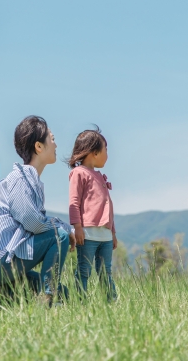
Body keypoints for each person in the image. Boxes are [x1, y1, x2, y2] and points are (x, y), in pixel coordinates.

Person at [0, 116, 76, 305]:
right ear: (39, 147)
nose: (56, 145)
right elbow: (33, 221)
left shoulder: (26, 180)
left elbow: (35, 221)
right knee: (59, 236)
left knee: (62, 291)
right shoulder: (21, 178)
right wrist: (66, 228)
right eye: (52, 139)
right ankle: (48, 298)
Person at [68, 127, 117, 301]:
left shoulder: (100, 176)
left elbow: (107, 207)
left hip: (105, 235)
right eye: (106, 149)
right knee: (84, 270)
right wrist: (77, 227)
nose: (107, 154)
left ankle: (111, 302)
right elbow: (74, 203)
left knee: (106, 272)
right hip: (87, 234)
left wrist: (113, 232)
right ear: (94, 153)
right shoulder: (79, 173)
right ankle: (81, 303)